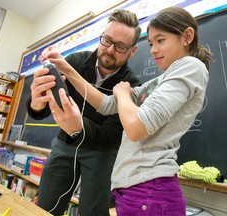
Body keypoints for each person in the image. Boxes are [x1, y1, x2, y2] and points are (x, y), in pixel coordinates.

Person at [44, 7, 213, 216]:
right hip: (134, 188)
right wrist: (67, 70)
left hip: (151, 189)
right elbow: (107, 104)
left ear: (187, 36)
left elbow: (136, 128)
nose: (152, 50)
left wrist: (123, 94)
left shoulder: (191, 66)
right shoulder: (159, 81)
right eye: (151, 43)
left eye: (160, 40)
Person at [27, 9, 141, 216]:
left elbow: (112, 135)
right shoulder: (75, 62)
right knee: (46, 207)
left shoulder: (131, 86)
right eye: (107, 40)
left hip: (103, 151)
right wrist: (36, 103)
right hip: (65, 143)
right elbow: (42, 109)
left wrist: (80, 127)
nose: (109, 50)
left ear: (133, 51)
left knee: (94, 211)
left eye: (121, 46)